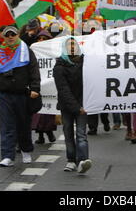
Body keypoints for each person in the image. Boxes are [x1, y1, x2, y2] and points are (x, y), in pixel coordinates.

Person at [0, 25, 41, 167]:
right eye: (7, 35)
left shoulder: (26, 51)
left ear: (17, 36)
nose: (10, 37)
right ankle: (7, 156)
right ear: (4, 37)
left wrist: (35, 88)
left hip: (23, 95)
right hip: (5, 95)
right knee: (7, 126)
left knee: (24, 125)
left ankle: (26, 151)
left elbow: (34, 70)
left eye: (13, 34)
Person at [53, 37, 92, 174]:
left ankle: (83, 161)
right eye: (69, 45)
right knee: (68, 133)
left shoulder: (86, 62)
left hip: (82, 104)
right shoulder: (59, 67)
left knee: (81, 134)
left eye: (74, 44)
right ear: (64, 48)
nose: (72, 47)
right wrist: (77, 107)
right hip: (67, 106)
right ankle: (71, 160)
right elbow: (63, 90)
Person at [32, 30, 57, 144]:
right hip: (38, 86)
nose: (41, 41)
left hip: (50, 86)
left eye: (44, 39)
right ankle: (41, 136)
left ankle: (49, 133)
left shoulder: (54, 52)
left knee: (47, 114)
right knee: (38, 113)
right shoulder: (33, 52)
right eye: (39, 38)